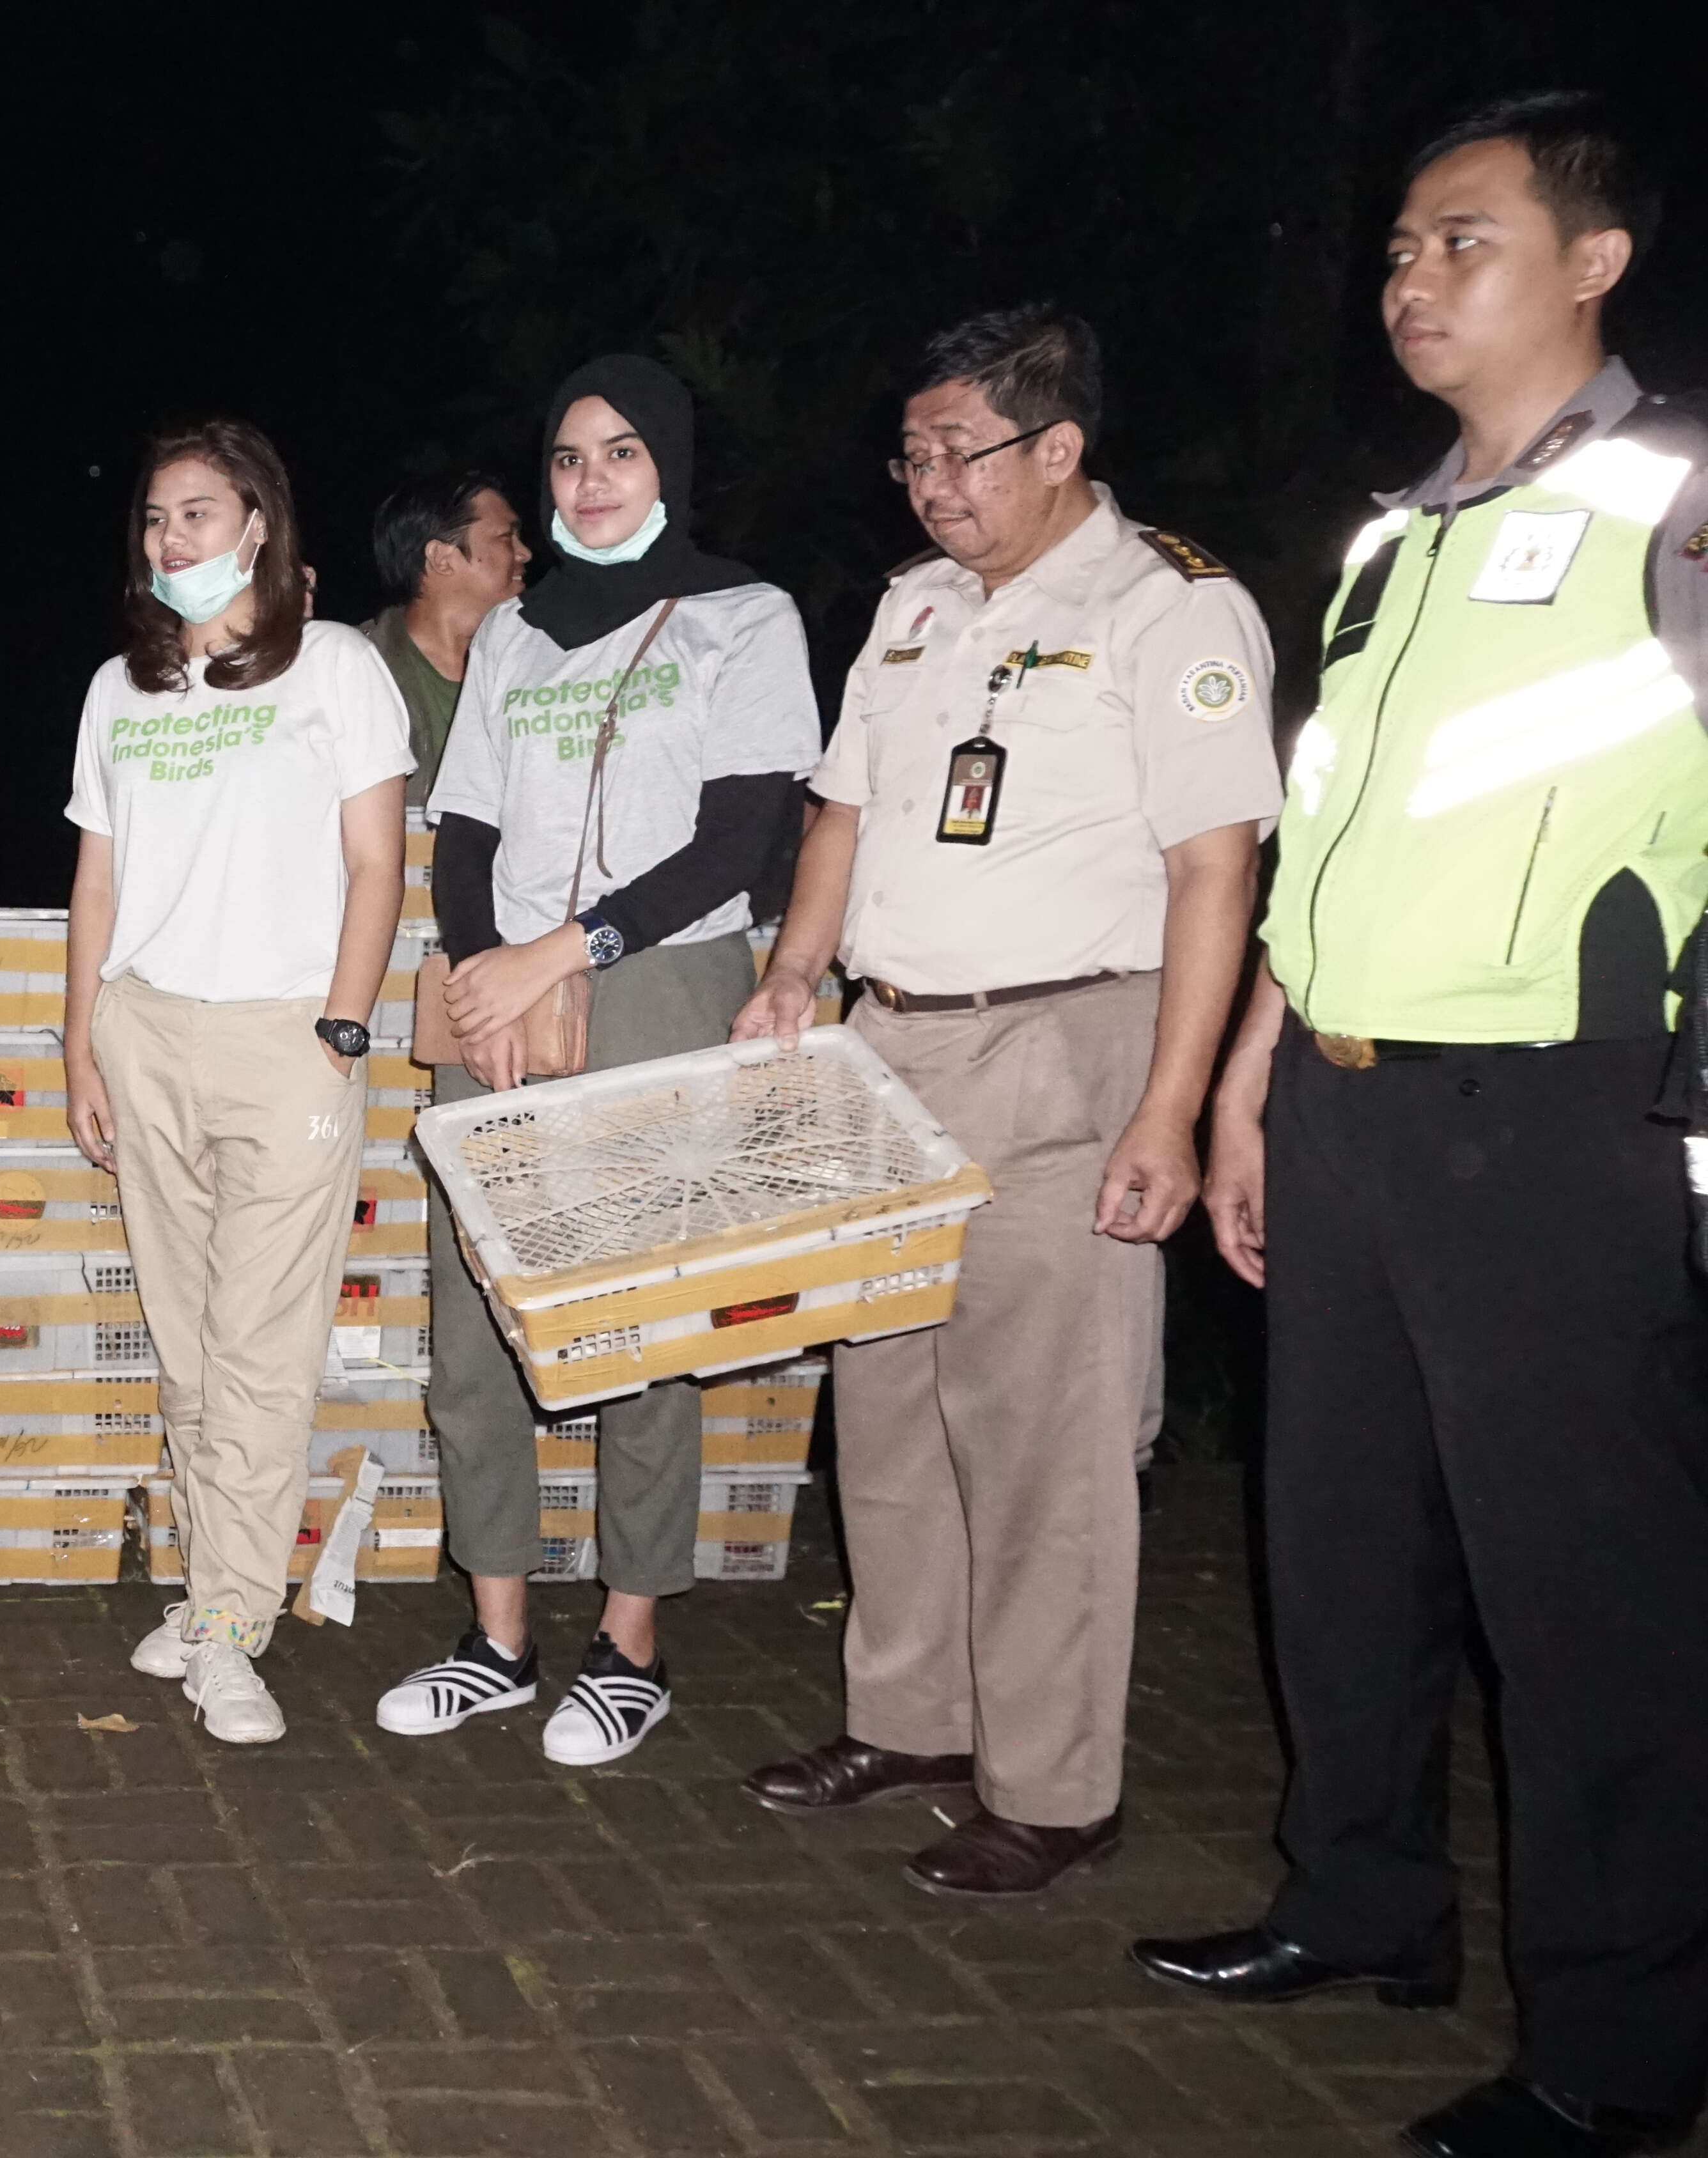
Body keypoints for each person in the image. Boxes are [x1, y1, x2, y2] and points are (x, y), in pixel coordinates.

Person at [1127, 97, 1708, 2158]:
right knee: (1340, 1546)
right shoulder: (1390, 540)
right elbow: (1324, 841)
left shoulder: (1676, 495)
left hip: (1560, 1107)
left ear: (1592, 259)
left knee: (1581, 1594)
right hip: (1349, 1101)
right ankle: (1359, 1905)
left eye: (1457, 241)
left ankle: (1622, 2049)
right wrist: (1244, 1085)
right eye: (1391, 249)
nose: (1406, 281)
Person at [728, 306, 1277, 1897]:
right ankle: (912, 1718)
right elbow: (840, 812)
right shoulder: (911, 610)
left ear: (1059, 447)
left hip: (1065, 1048)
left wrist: (1169, 1113)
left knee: (1048, 1433)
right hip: (891, 1047)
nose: (925, 482)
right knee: (890, 1404)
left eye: (956, 450)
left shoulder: (1168, 607)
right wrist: (794, 975)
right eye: (908, 453)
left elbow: (1213, 870)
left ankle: (1052, 1785)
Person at [385, 355, 819, 1767]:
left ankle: (630, 1639)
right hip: (501, 986)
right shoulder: (516, 634)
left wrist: (564, 950)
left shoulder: (744, 618)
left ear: (670, 466)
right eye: (569, 459)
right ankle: (495, 1632)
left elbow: (745, 836)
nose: (589, 482)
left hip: (656, 978)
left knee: (639, 1320)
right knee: (478, 1318)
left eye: (620, 454)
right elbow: (466, 830)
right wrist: (479, 974)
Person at [68, 418, 409, 1745]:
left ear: (259, 524)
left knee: (265, 1351)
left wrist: (339, 1026)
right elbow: (97, 877)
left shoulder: (334, 670)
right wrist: (79, 1039)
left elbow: (375, 864)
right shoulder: (121, 688)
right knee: (190, 1344)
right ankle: (213, 1580)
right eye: (156, 519)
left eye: (198, 515)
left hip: (285, 1038)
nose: (171, 541)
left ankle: (231, 1620)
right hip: (147, 1031)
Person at [361, 469, 529, 793]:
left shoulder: (543, 665)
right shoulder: (357, 672)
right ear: (442, 558)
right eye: (506, 538)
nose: (525, 553)